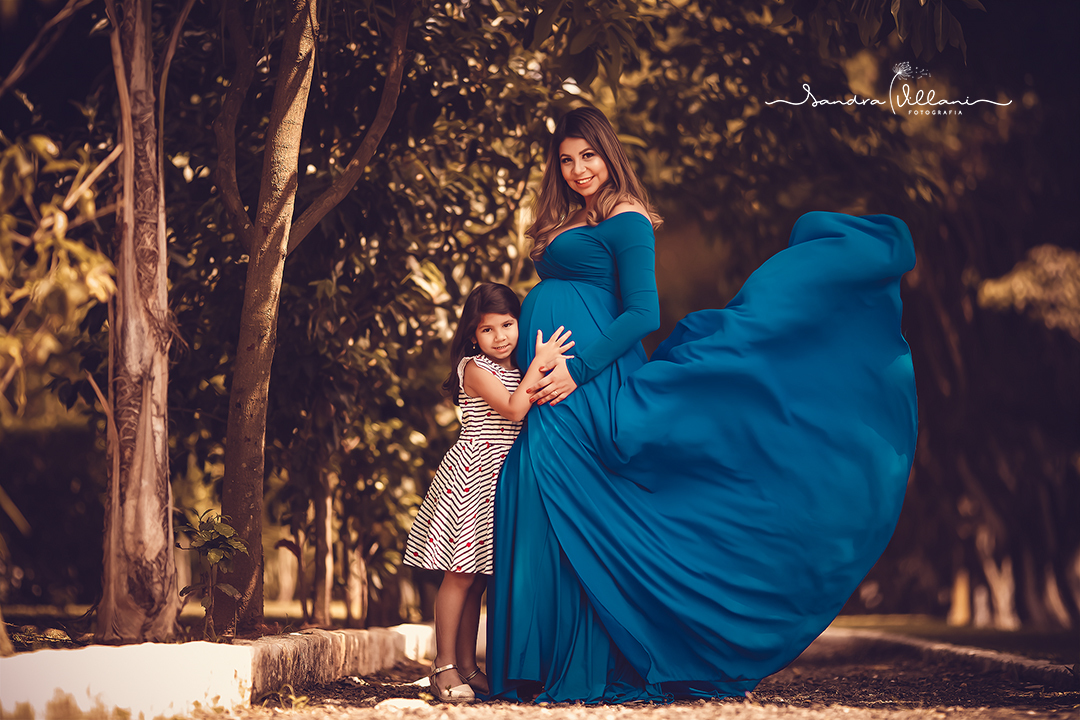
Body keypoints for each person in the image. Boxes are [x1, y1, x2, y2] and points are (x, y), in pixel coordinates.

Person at [486, 106, 919, 703]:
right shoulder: (579, 216)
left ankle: (582, 662)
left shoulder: (628, 217)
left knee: (553, 491)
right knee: (536, 493)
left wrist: (578, 370)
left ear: (610, 155)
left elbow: (644, 313)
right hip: (556, 377)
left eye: (589, 156)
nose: (578, 169)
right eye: (566, 160)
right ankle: (547, 661)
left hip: (586, 381)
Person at [404, 282, 574, 703]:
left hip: (505, 478)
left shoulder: (516, 367)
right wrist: (541, 362)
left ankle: (468, 666)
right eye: (487, 330)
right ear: (472, 336)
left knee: (480, 579)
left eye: (508, 324)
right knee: (459, 575)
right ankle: (443, 666)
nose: (500, 337)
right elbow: (515, 409)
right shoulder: (475, 368)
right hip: (474, 475)